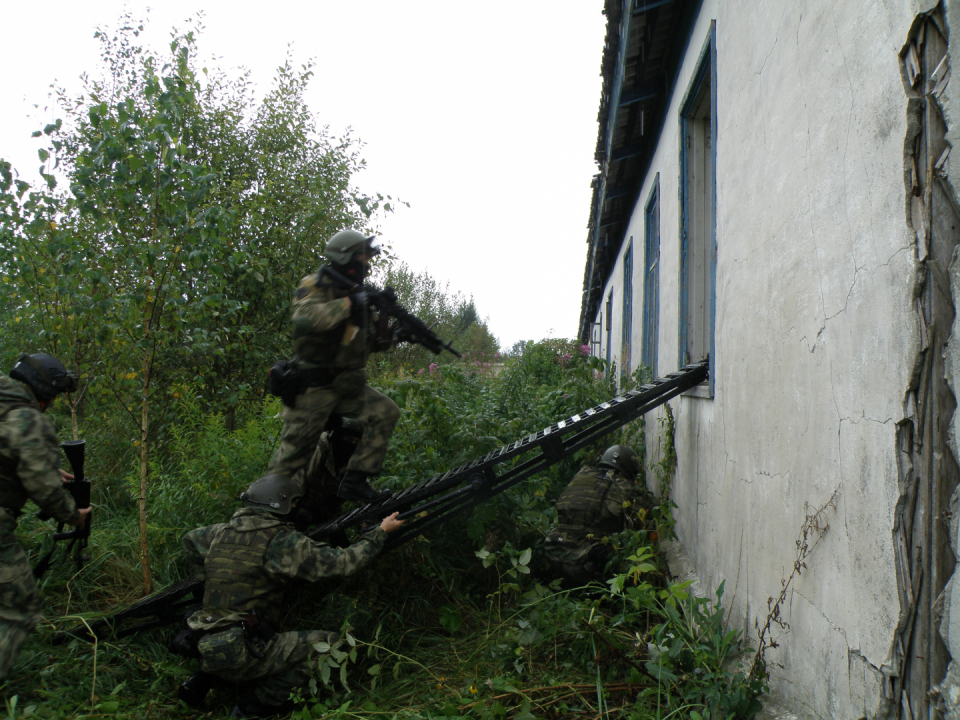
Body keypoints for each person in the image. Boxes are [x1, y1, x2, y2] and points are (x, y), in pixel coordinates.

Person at [179, 473, 404, 718]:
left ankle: (208, 677)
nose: (297, 507)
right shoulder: (280, 541)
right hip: (241, 647)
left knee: (254, 634)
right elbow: (344, 563)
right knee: (334, 646)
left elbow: (189, 540)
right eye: (294, 503)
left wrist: (207, 577)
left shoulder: (220, 533)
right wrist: (380, 532)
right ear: (281, 506)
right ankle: (256, 705)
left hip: (204, 638)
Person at [267, 230, 400, 503]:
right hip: (314, 388)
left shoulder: (356, 292)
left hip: (347, 386)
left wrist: (394, 335)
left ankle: (354, 482)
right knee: (291, 459)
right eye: (362, 257)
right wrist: (350, 303)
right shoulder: (317, 284)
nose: (367, 264)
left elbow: (363, 342)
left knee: (385, 412)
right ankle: (259, 513)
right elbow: (305, 318)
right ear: (346, 257)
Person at [0, 353, 90, 682]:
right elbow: (45, 491)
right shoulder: (28, 418)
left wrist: (48, 467)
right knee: (18, 608)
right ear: (42, 392)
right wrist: (74, 516)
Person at [544, 445, 653, 587]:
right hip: (584, 563)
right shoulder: (622, 485)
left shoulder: (582, 474)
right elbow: (653, 509)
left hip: (554, 552)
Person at [291, 416, 364, 535]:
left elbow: (360, 490)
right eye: (349, 439)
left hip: (325, 514)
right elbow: (296, 484)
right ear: (336, 437)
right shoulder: (317, 447)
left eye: (357, 442)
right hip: (297, 510)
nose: (352, 445)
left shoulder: (352, 458)